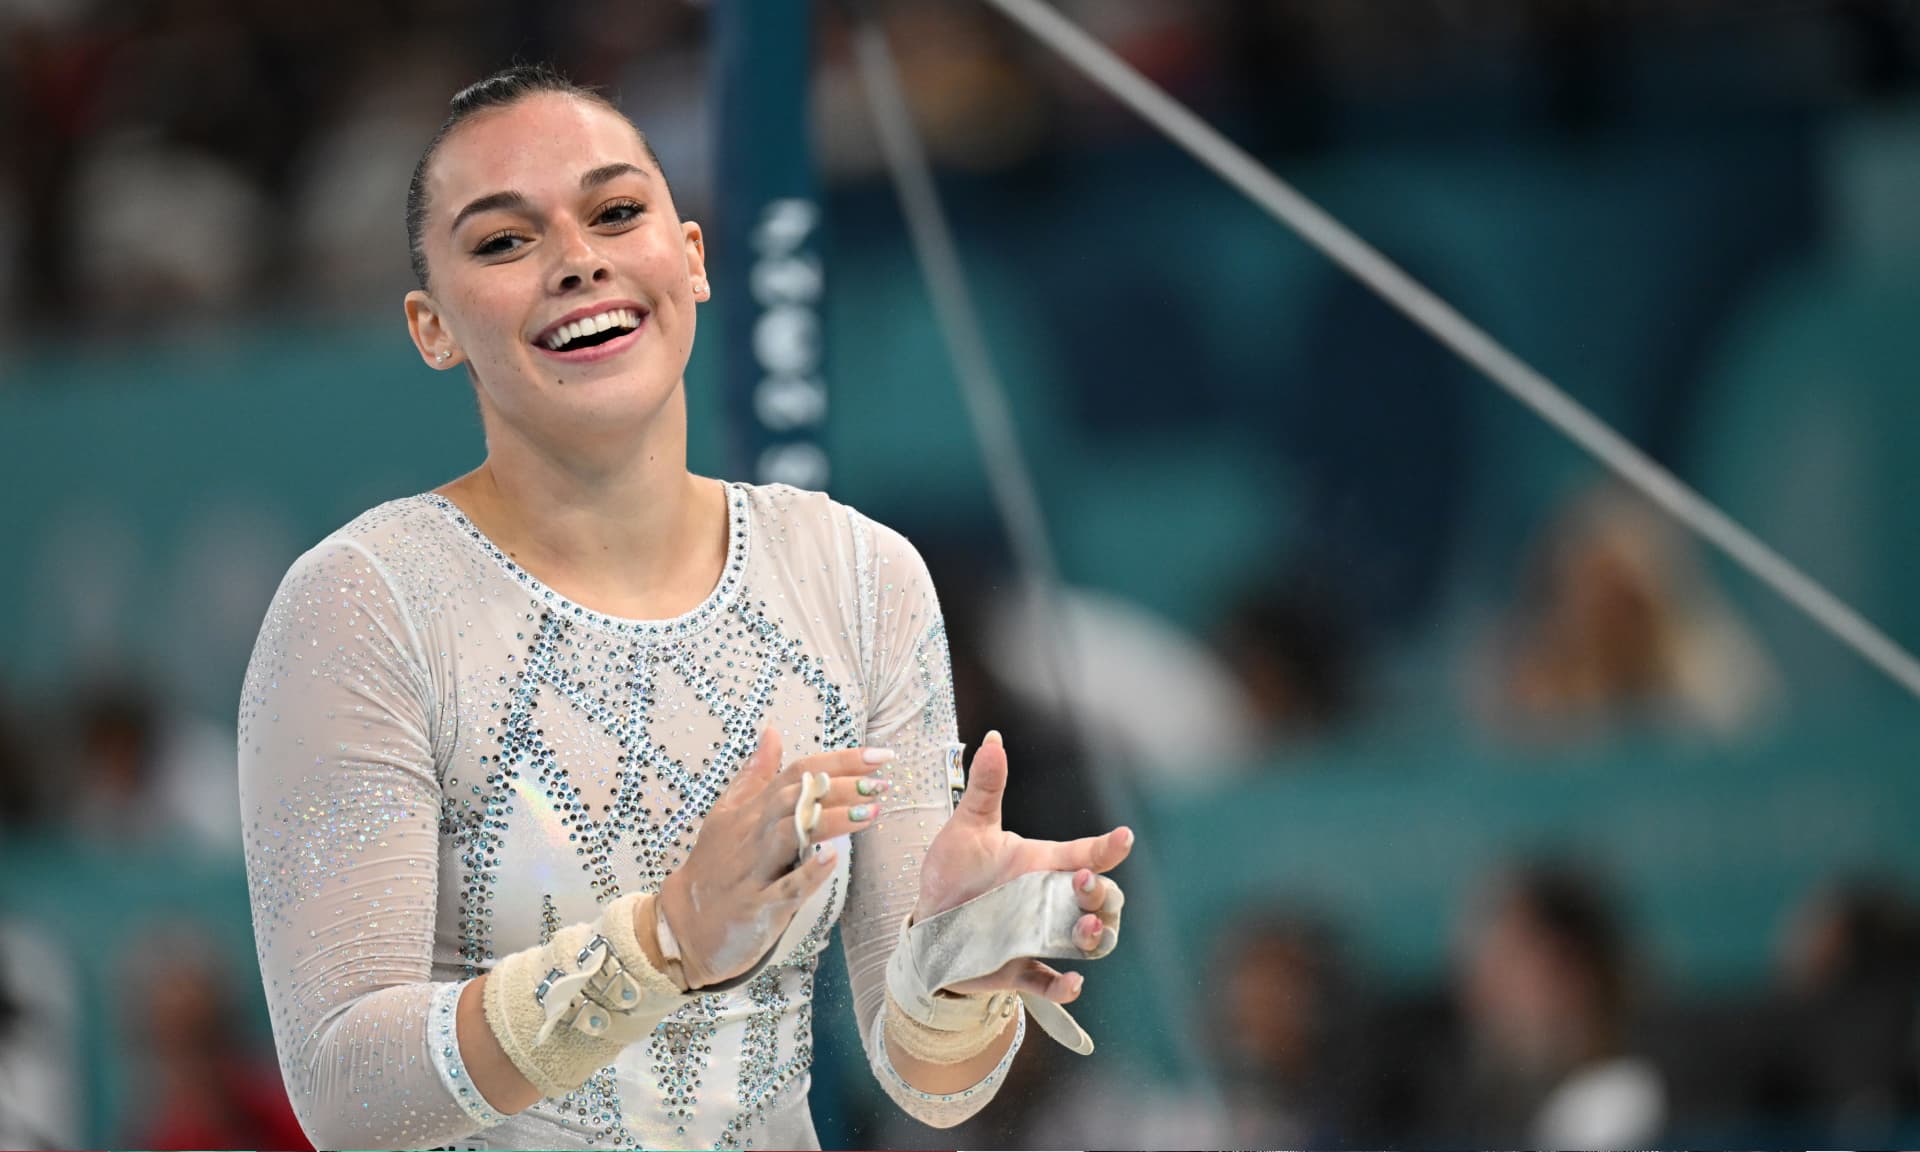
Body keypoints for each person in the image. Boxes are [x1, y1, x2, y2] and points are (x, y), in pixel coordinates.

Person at [237, 64, 1131, 1151]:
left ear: (693, 257)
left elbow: (927, 1082)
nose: (578, 261)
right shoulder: (368, 606)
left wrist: (955, 970)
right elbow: (342, 1089)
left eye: (617, 212)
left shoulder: (858, 575)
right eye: (505, 242)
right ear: (432, 327)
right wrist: (659, 945)